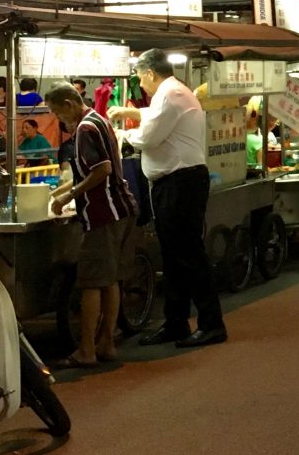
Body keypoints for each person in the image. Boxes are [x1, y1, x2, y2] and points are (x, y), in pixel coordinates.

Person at [123, 48, 225, 347]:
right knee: (174, 258)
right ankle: (176, 322)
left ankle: (212, 324)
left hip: (180, 183)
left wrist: (122, 134)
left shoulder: (168, 95)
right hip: (177, 183)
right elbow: (157, 120)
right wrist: (133, 114)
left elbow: (147, 137)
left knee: (189, 255)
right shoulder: (173, 92)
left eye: (141, 78)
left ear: (150, 73)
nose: (141, 85)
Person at [46, 83, 137, 368]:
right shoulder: (101, 121)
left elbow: (102, 170)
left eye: (56, 111)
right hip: (121, 208)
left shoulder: (84, 129)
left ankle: (87, 349)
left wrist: (70, 195)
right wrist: (60, 193)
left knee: (91, 283)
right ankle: (106, 343)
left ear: (69, 104)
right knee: (110, 280)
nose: (58, 119)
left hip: (102, 213)